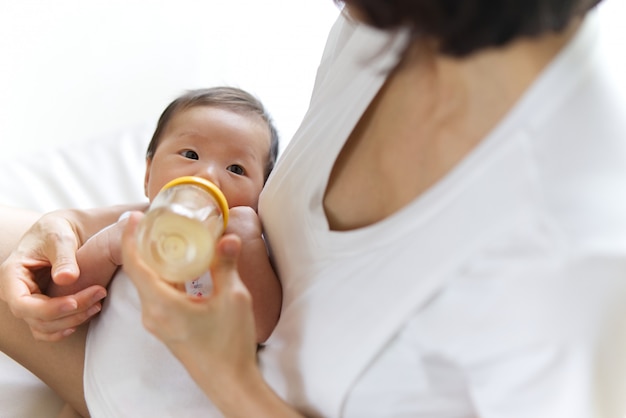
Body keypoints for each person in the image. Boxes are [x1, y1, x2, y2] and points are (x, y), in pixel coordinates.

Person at [2, 0, 626, 416]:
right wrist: (71, 226)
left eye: (239, 169)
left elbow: (264, 312)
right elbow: (134, 232)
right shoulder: (378, 24)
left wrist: (225, 373)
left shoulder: (572, 265)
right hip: (125, 363)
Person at [2, 86, 283, 417]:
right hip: (93, 388)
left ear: (261, 196)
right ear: (148, 174)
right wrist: (107, 249)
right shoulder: (129, 227)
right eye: (190, 155)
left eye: (236, 169)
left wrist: (247, 244)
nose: (207, 175)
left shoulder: (238, 249)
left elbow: (262, 326)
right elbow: (68, 302)